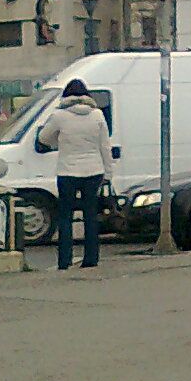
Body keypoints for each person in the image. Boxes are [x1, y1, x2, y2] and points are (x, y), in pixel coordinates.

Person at [37, 80, 114, 270]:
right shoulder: (97, 115)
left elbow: (43, 138)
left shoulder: (59, 116)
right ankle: (91, 259)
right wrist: (108, 173)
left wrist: (58, 142)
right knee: (90, 216)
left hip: (67, 171)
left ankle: (64, 260)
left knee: (65, 217)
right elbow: (105, 145)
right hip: (93, 171)